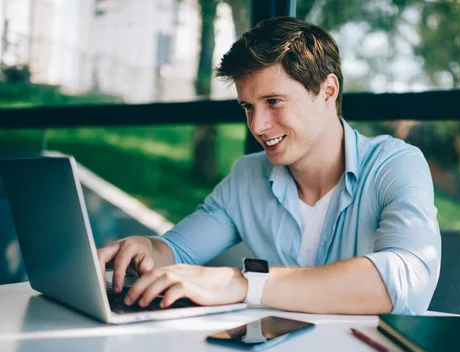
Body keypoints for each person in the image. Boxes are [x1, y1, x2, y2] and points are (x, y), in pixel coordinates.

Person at [97, 16, 441, 315]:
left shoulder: (395, 165)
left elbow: (408, 279)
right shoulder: (247, 177)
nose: (258, 126)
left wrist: (246, 284)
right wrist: (145, 248)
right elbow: (177, 250)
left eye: (274, 101)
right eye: (248, 107)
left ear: (327, 91)